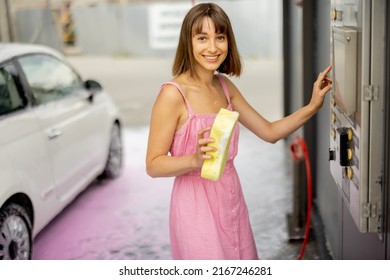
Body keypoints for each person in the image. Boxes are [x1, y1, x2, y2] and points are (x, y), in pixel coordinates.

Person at [146, 2, 332, 260]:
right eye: (202, 38)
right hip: (195, 207)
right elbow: (153, 165)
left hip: (231, 197)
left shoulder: (225, 86)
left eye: (219, 37)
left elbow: (269, 131)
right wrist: (193, 160)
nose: (212, 47)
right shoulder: (172, 94)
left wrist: (312, 106)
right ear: (187, 42)